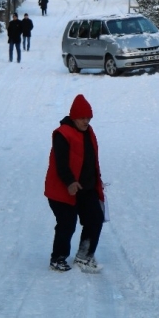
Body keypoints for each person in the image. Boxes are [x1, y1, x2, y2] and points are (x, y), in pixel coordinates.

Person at [44, 94, 105, 273]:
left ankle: (84, 256)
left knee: (95, 218)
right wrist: (70, 182)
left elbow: (91, 159)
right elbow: (60, 163)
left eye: (89, 117)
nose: (86, 121)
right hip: (63, 188)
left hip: (86, 187)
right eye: (82, 118)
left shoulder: (89, 132)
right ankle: (58, 258)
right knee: (67, 223)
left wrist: (96, 182)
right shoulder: (62, 134)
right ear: (73, 117)